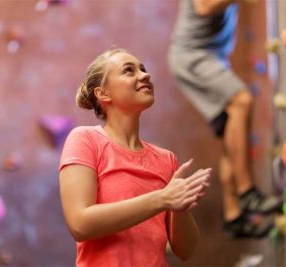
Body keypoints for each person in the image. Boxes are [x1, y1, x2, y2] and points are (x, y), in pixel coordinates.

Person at [59, 48, 212, 267]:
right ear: (103, 94)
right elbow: (80, 223)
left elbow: (185, 250)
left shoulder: (166, 160)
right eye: (129, 71)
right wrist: (163, 198)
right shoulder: (86, 139)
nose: (144, 75)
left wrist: (181, 206)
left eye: (143, 69)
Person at [168, 0, 282, 238]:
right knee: (241, 101)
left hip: (210, 56)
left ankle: (234, 216)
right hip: (193, 57)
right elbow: (204, 7)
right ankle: (246, 192)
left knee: (232, 128)